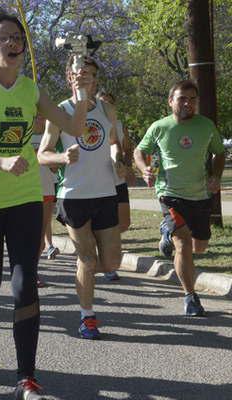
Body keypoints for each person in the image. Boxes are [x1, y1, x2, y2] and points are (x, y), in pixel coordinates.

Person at [0, 12, 91, 399]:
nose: (13, 44)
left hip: (25, 195)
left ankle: (25, 378)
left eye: (17, 38)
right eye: (4, 38)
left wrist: (80, 95)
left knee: (26, 284)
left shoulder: (31, 89)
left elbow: (75, 127)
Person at [39, 56, 125, 341]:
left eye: (89, 73)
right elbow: (42, 154)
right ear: (69, 78)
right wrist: (62, 157)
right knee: (87, 258)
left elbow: (114, 142)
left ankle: (81, 275)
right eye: (79, 73)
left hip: (105, 193)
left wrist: (117, 160)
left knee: (111, 262)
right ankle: (87, 316)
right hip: (74, 196)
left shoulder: (106, 109)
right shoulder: (61, 111)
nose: (84, 77)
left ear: (95, 79)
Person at [134, 79, 225, 317]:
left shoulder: (206, 126)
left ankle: (166, 233)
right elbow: (139, 151)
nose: (188, 103)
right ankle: (190, 296)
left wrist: (215, 175)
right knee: (183, 243)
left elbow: (219, 152)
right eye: (182, 98)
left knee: (200, 247)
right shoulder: (159, 127)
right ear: (171, 101)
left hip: (200, 195)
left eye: (192, 99)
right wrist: (144, 168)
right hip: (170, 194)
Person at [98, 90, 137, 281]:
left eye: (109, 103)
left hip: (118, 179)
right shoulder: (91, 124)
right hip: (99, 180)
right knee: (106, 224)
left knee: (123, 222)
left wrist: (128, 166)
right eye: (102, 102)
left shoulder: (120, 126)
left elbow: (128, 148)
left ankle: (104, 249)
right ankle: (108, 264)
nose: (106, 106)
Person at [30, 115, 59, 288]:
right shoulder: (23, 136)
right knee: (26, 235)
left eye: (42, 117)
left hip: (47, 189)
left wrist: (52, 159)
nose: (40, 120)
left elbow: (56, 167)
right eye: (36, 117)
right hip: (25, 191)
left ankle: (33, 272)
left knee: (40, 237)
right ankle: (24, 271)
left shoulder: (50, 138)